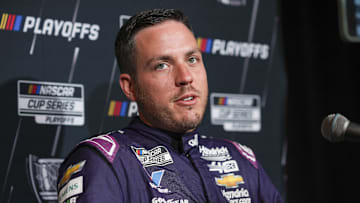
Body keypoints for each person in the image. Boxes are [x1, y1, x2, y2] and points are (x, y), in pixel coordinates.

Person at [57, 8, 283, 203]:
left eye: (192, 59)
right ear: (130, 87)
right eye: (162, 65)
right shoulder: (104, 162)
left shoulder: (240, 159)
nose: (185, 77)